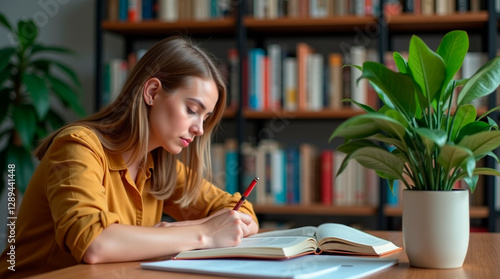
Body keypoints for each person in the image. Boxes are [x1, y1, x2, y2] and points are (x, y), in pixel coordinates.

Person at [0, 36, 259, 278]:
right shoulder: (77, 146)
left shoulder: (160, 165)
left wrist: (176, 231)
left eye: (205, 118)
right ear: (152, 92)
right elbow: (94, 243)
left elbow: (244, 214)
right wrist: (204, 233)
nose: (199, 129)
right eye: (192, 110)